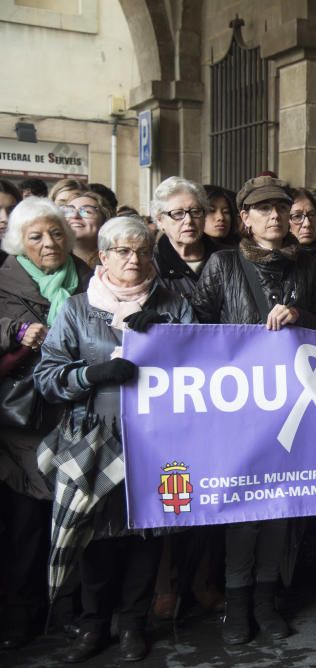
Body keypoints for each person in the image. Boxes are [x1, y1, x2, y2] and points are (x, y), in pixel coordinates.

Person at [34, 216, 194, 663]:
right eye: (123, 251)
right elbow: (47, 379)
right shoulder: (76, 308)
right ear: (102, 256)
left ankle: (132, 625)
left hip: (154, 437)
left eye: (143, 250)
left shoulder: (173, 304)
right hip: (93, 435)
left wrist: (162, 333)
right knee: (95, 535)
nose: (135, 259)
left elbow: (199, 369)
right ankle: (92, 625)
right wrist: (92, 373)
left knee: (146, 532)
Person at [190, 175, 316, 645]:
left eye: (282, 208)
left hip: (293, 408)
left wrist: (302, 319)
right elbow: (196, 328)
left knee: (279, 504)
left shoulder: (308, 268)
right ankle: (236, 605)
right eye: (264, 210)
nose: (275, 216)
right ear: (246, 220)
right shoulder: (223, 265)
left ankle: (265, 600)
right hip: (238, 409)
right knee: (242, 508)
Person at [0, 198, 91, 650]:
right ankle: (22, 614)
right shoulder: (5, 281)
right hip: (26, 419)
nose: (49, 243)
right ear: (20, 242)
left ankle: (67, 610)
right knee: (28, 520)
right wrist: (14, 332)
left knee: (71, 516)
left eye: (56, 233)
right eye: (36, 236)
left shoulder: (88, 277)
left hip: (76, 413)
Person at [150, 177, 220, 300]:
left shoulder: (227, 258)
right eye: (177, 213)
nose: (189, 220)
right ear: (160, 221)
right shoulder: (149, 264)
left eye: (195, 211)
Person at [61, 191, 113, 268]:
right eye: (69, 211)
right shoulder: (52, 259)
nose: (75, 216)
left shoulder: (115, 261)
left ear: (104, 221)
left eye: (86, 212)